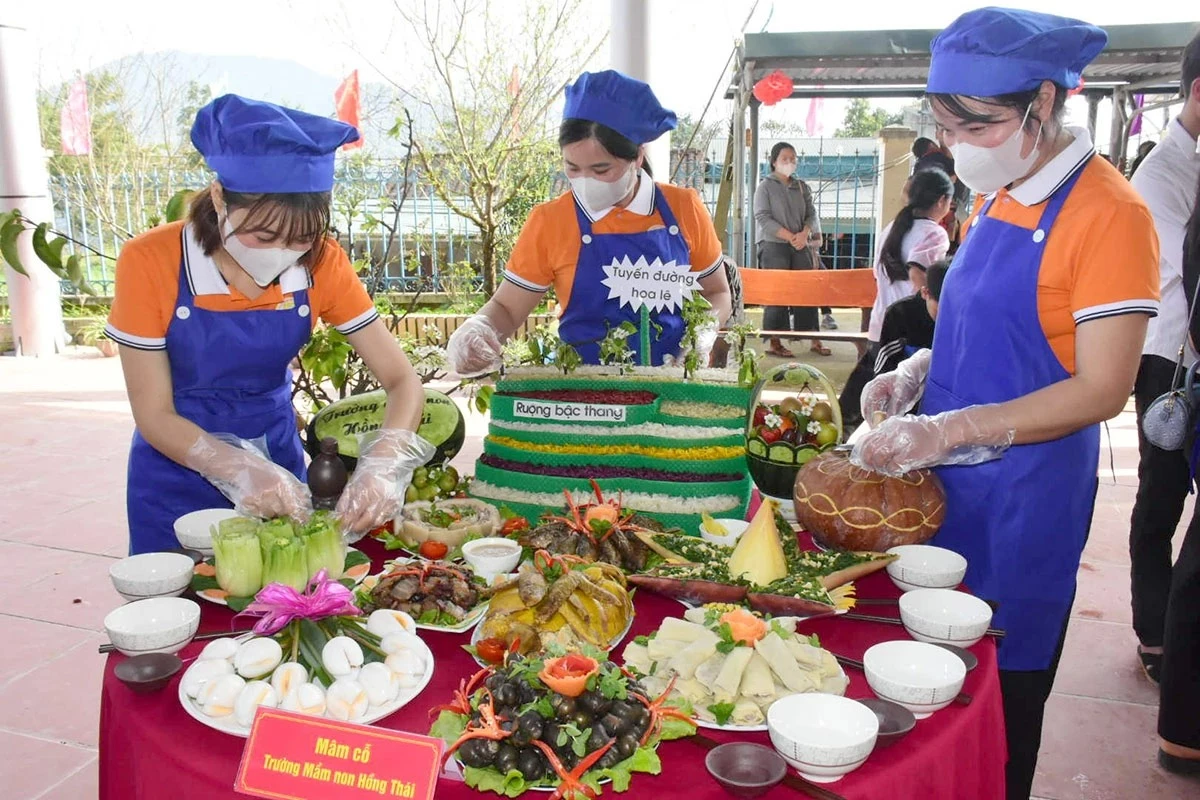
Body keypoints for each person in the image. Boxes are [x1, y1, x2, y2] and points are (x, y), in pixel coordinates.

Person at [849, 10, 1160, 799]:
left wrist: (952, 428)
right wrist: (920, 370)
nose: (960, 147)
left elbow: (1103, 386)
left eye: (977, 125)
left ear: (1042, 103)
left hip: (1022, 501)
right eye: (946, 127)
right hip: (943, 490)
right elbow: (988, 322)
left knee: (995, 714)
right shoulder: (1000, 195)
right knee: (919, 688)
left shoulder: (1111, 214)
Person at [106, 95, 431, 554]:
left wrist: (384, 465)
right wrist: (237, 468)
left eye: (301, 238)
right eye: (263, 235)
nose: (282, 252)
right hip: (174, 472)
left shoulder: (322, 262)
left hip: (278, 464)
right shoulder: (150, 261)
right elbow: (153, 414)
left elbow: (402, 381)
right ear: (219, 198)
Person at [445, 70, 731, 374]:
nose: (585, 181)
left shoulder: (683, 208)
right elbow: (507, 308)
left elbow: (717, 292)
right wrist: (478, 329)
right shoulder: (551, 221)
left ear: (637, 156)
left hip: (672, 381)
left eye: (601, 170)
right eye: (572, 167)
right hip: (583, 388)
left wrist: (703, 333)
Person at [1127, 31, 1200, 692]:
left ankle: (1180, 629)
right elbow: (1190, 272)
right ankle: (1155, 631)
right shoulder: (1162, 174)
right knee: (1161, 503)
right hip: (1170, 364)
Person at [837, 169, 952, 429]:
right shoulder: (934, 233)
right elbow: (917, 272)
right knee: (898, 403)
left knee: (876, 396)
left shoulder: (893, 227)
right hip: (908, 330)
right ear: (942, 201)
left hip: (882, 323)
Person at [753, 142, 829, 356]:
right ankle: (775, 342)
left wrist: (804, 234)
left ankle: (814, 338)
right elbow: (763, 217)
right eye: (784, 158)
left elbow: (811, 214)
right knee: (777, 293)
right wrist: (791, 237)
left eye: (793, 158)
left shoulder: (801, 187)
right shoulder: (765, 187)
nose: (789, 162)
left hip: (801, 244)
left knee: (807, 290)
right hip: (773, 244)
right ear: (774, 161)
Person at [873, 260, 948, 377]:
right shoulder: (900, 314)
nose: (946, 318)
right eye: (940, 311)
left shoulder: (967, 315)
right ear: (925, 292)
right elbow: (885, 368)